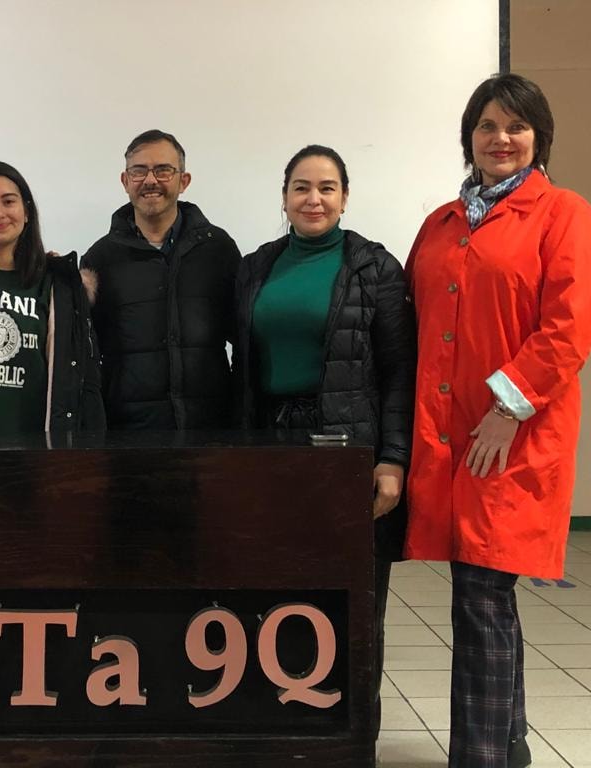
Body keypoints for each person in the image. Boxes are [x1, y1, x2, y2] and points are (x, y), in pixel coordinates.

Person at [404, 73, 591, 768]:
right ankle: (510, 743)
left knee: (482, 593)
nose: (500, 138)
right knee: (481, 589)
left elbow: (570, 325)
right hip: (449, 435)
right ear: (469, 137)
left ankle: (482, 754)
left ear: (538, 137)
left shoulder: (563, 213)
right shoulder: (441, 223)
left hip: (513, 438)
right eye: (487, 126)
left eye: (516, 126)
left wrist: (507, 407)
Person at [234, 144, 416, 743]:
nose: (314, 199)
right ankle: (287, 735)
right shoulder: (256, 267)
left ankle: (353, 741)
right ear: (284, 196)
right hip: (270, 448)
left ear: (344, 197)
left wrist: (392, 460)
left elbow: (399, 372)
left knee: (353, 604)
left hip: (347, 449)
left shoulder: (374, 268)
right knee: (277, 592)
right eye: (302, 187)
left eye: (327, 187)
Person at [81, 129, 241, 430]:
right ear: (125, 181)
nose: (150, 180)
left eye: (163, 170)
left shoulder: (218, 249)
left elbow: (243, 336)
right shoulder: (99, 259)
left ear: (184, 181)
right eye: (139, 171)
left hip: (211, 428)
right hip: (128, 432)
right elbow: (87, 353)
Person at [0, 160, 104, 433]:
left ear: (26, 212)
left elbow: (83, 380)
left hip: (40, 447)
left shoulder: (60, 285)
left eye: (9, 201)